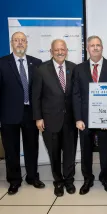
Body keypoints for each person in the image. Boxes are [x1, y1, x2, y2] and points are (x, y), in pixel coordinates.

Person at [0, 32, 45, 195]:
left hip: (31, 113)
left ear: (27, 43)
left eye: (23, 40)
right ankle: (14, 180)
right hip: (8, 114)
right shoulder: (2, 63)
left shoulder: (37, 63)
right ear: (11, 43)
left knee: (32, 147)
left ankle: (32, 177)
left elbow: (40, 91)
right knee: (11, 150)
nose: (20, 43)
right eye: (16, 40)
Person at [32, 39, 77, 197]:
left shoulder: (74, 68)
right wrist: (38, 118)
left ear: (66, 50)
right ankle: (58, 182)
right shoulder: (41, 69)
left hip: (70, 121)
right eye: (56, 50)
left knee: (70, 152)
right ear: (51, 52)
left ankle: (69, 180)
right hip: (50, 121)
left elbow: (76, 95)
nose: (60, 52)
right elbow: (36, 96)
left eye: (62, 49)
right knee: (55, 153)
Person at [72, 36, 107, 195]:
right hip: (85, 118)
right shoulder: (79, 68)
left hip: (105, 118)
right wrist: (78, 118)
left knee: (105, 150)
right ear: (87, 49)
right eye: (92, 45)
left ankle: (105, 177)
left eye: (98, 45)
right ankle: (87, 179)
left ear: (102, 47)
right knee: (86, 150)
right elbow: (76, 95)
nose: (95, 48)